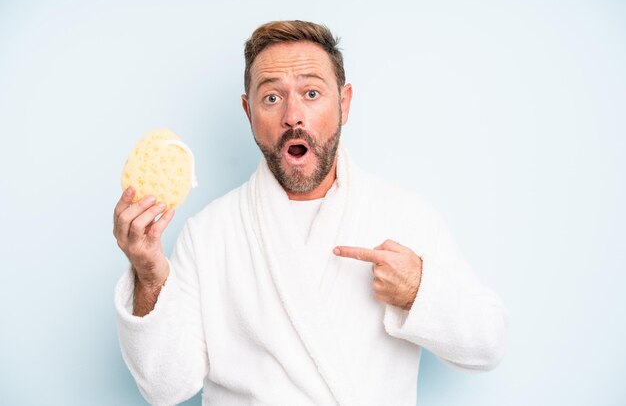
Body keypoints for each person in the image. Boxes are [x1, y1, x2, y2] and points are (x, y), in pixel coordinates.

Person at [113, 20, 508, 406]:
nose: (293, 116)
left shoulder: (405, 214)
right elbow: (165, 388)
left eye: (312, 93)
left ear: (345, 102)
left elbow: (487, 345)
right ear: (248, 111)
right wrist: (149, 275)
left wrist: (419, 292)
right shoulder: (209, 233)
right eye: (272, 97)